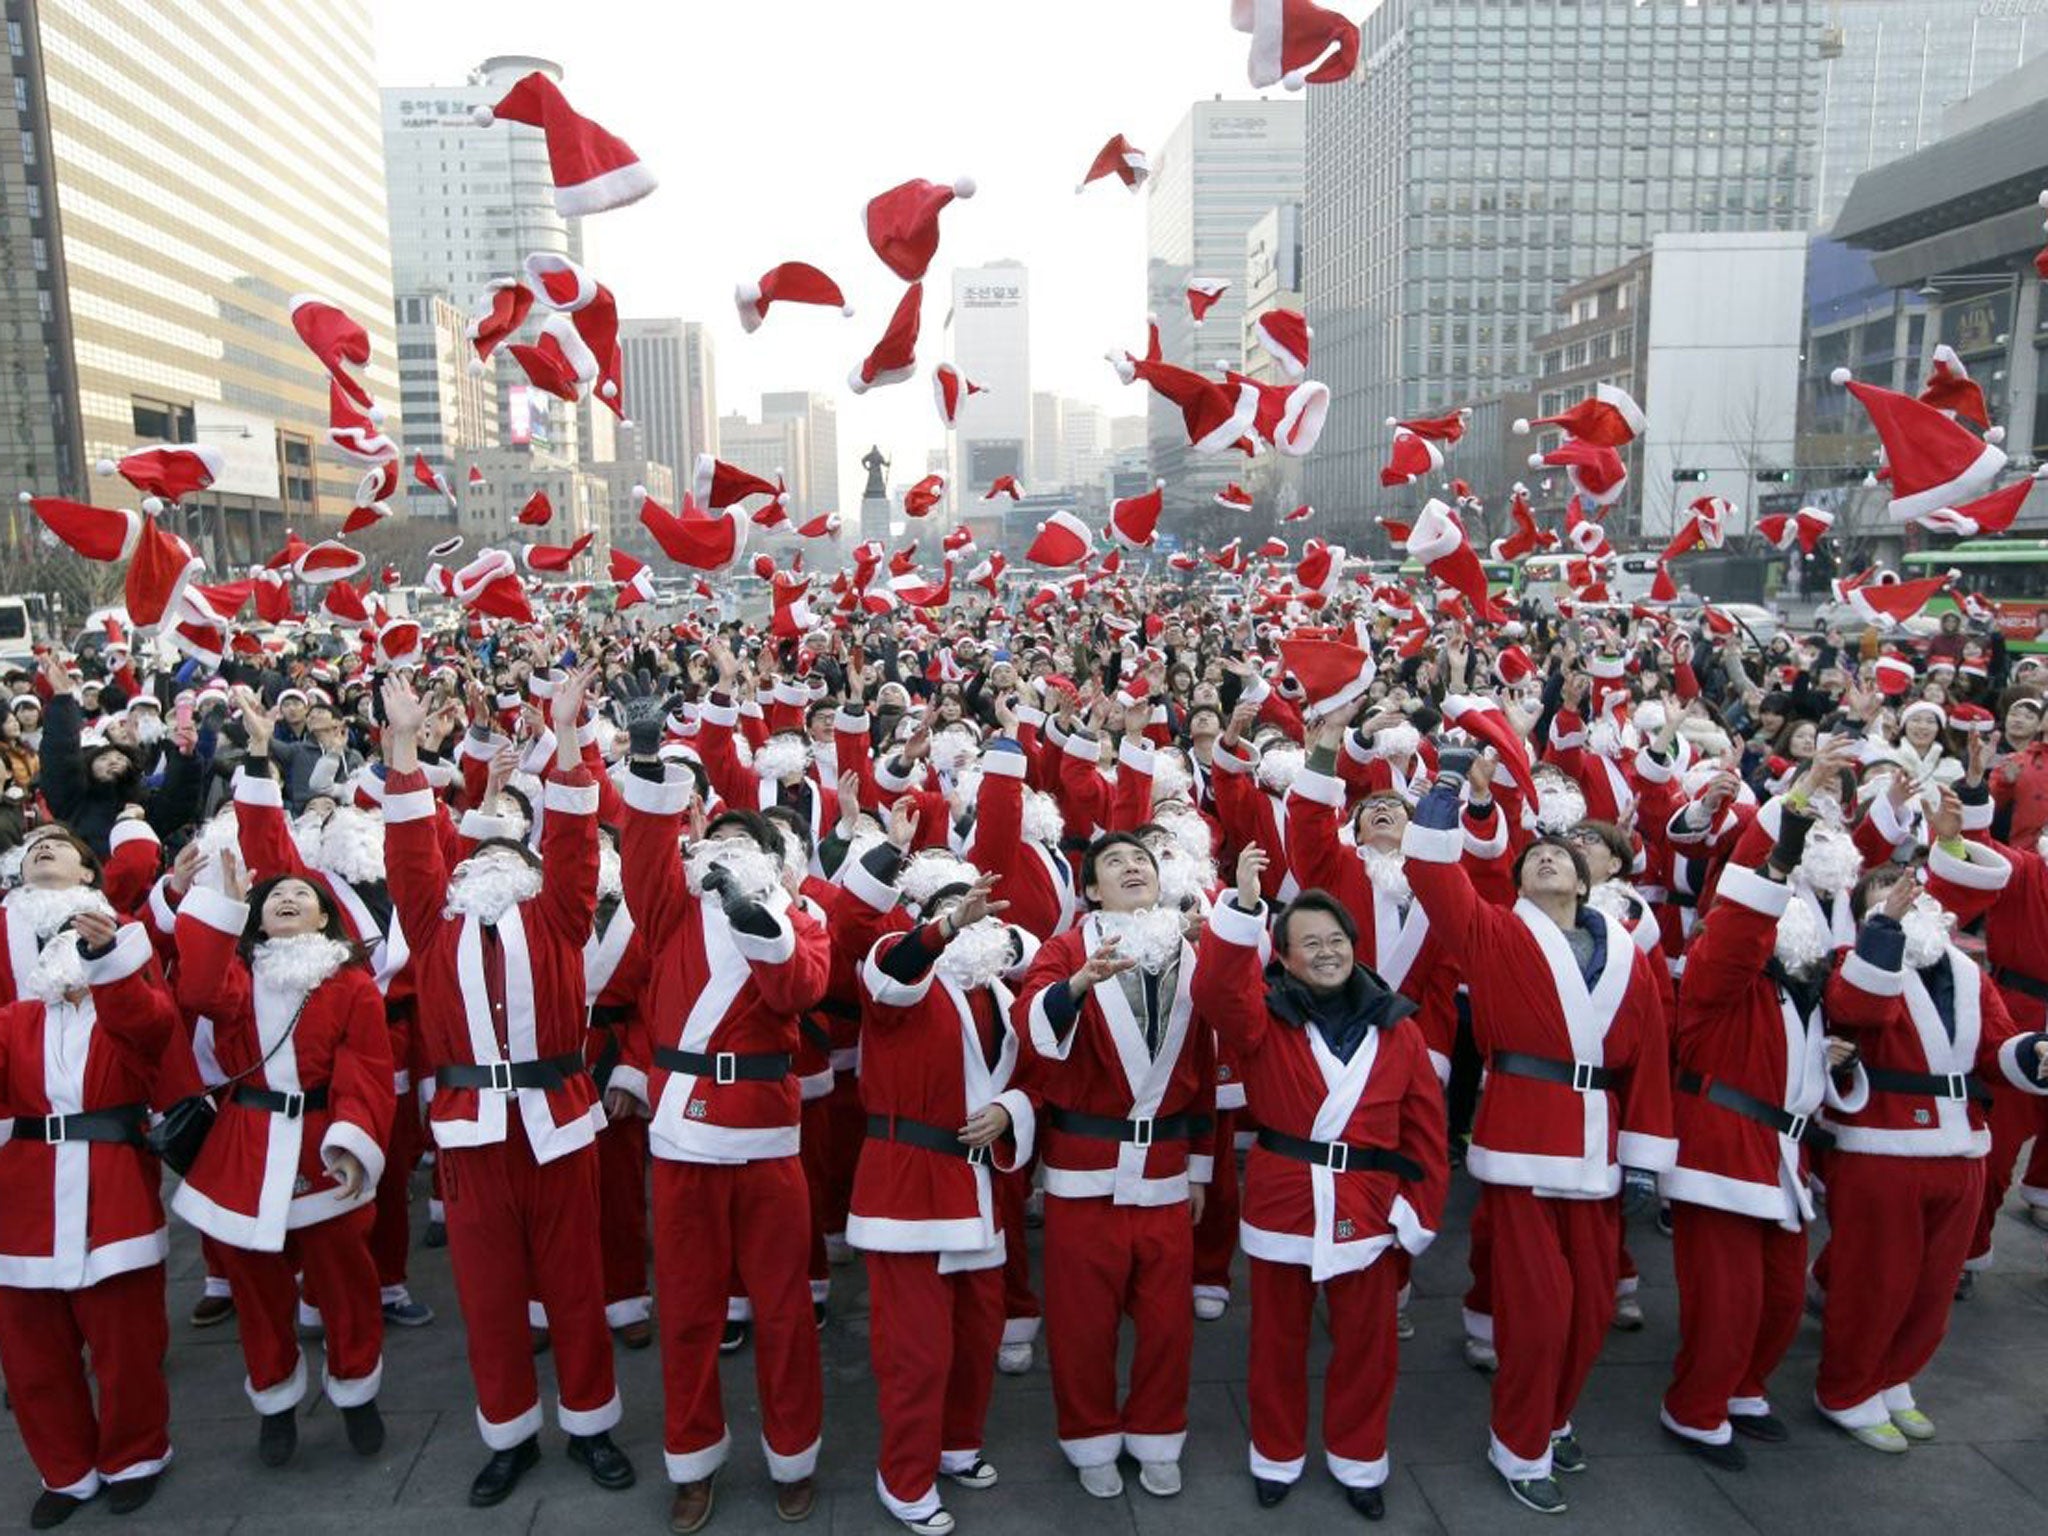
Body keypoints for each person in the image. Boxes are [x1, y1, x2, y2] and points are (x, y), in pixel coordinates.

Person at [380, 664, 635, 1507]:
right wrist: (406, 746)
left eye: (506, 844)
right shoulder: (432, 919)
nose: (491, 853)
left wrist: (565, 737)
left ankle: (592, 1425)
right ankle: (511, 1436)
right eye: (475, 845)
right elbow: (411, 848)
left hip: (558, 1120)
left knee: (574, 1284)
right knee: (489, 1298)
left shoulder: (556, 909)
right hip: (471, 1129)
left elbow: (573, 836)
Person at [1401, 752, 1674, 1516]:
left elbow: (1649, 1056)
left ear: (1588, 881)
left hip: (1598, 1144)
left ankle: (1553, 1421)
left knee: (1589, 1306)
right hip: (1521, 1138)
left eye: (1560, 855)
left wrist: (1647, 1158)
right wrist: (1449, 783)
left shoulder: (1627, 956)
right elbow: (1433, 873)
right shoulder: (1490, 932)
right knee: (1542, 1306)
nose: (1548, 857)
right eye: (1533, 858)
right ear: (1517, 884)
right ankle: (1518, 1445)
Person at [615, 671, 832, 1532]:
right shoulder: (670, 906)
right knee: (691, 1311)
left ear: (775, 862)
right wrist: (641, 756)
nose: (732, 849)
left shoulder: (800, 914)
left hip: (768, 1136)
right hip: (681, 1139)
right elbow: (639, 852)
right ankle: (694, 1460)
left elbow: (800, 991)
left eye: (750, 843)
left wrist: (758, 912)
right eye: (722, 838)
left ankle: (792, 1454)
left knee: (782, 1312)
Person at [1194, 856, 1448, 1521]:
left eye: (1336, 939)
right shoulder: (1261, 1019)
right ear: (1283, 958)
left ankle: (1359, 1459)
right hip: (1285, 1202)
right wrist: (1244, 908)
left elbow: (1426, 1133)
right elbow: (1217, 994)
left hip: (1369, 1205)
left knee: (1370, 1346)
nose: (1327, 951)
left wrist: (1417, 1213)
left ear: (1355, 948)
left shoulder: (1401, 1027)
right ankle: (1275, 1456)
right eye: (1310, 942)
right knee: (1276, 1342)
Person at [1656, 745, 1860, 1467]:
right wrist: (1796, 807)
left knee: (1777, 1297)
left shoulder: (1801, 996)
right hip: (1723, 1147)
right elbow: (1744, 919)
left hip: (1782, 1156)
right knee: (1727, 1299)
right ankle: (1694, 1406)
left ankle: (1744, 1387)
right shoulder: (1721, 972)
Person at [1818, 827, 2048, 1450]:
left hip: (1961, 1146)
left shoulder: (1970, 976)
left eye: (1909, 893)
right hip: (1883, 1146)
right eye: (1885, 893)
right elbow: (1858, 1010)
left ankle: (1895, 1378)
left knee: (1933, 1285)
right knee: (1877, 1281)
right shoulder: (1852, 962)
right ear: (1864, 913)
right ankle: (1846, 1388)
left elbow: (1996, 1049)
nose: (1902, 898)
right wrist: (1883, 933)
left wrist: (2038, 1055)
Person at [168, 844, 394, 1466]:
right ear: (256, 920)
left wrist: (352, 1141)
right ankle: (275, 1399)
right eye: (274, 898)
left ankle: (356, 1391)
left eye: (301, 895)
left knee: (346, 1280)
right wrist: (223, 908)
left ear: (324, 916)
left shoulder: (351, 984)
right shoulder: (239, 976)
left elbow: (367, 1068)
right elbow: (199, 986)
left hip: (323, 1140)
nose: (287, 900)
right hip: (247, 1145)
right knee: (256, 1287)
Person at [1013, 830, 1216, 1501]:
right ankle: (1090, 1431)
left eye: (1143, 862)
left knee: (1166, 1321)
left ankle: (1159, 1429)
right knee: (1082, 1320)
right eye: (1115, 863)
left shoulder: (1191, 951)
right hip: (1084, 1168)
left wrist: (1200, 1170)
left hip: (1164, 1163)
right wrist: (1077, 982)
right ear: (1093, 889)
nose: (1133, 868)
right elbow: (1032, 1025)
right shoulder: (1069, 946)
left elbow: (1203, 1074)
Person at [845, 838, 1038, 1535]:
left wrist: (1010, 1111)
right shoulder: (900, 968)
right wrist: (948, 925)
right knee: (915, 1351)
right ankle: (903, 1477)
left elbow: (1032, 1079)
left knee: (976, 1331)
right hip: (909, 1187)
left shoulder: (1003, 992)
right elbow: (896, 974)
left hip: (979, 1188)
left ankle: (956, 1446)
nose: (971, 918)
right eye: (954, 907)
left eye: (979, 909)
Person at [0, 872, 187, 1526]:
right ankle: (66, 1470)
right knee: (31, 1353)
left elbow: (144, 1018)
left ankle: (136, 1455)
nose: (69, 954)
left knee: (123, 1342)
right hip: (22, 1200)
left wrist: (109, 963)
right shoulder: (14, 1021)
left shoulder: (132, 1018)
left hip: (110, 1192)